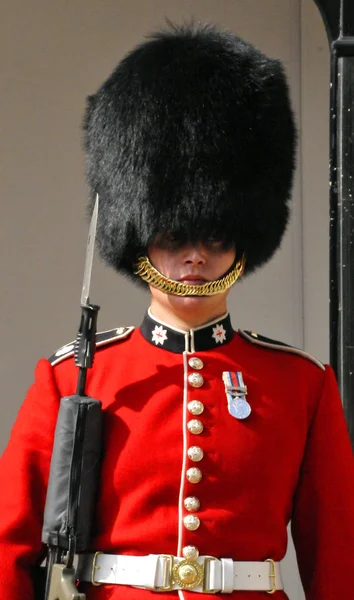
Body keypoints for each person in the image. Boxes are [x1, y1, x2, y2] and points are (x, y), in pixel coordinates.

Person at [0, 22, 353, 600]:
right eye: (173, 235)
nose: (194, 256)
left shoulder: (301, 386)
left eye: (215, 236)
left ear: (243, 242)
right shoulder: (72, 377)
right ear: (140, 239)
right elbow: (8, 552)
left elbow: (339, 564)